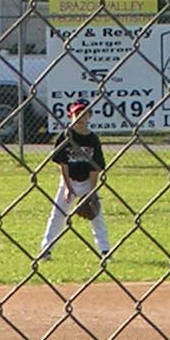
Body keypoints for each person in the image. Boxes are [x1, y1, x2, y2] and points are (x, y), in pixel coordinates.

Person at [38, 98, 110, 265]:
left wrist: (91, 193)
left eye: (84, 114)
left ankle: (104, 250)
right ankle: (46, 249)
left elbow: (95, 169)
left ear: (90, 116)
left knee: (96, 216)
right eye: (77, 114)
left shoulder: (93, 139)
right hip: (68, 181)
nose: (80, 117)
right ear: (70, 115)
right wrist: (67, 187)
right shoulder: (65, 136)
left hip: (87, 183)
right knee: (57, 215)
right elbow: (62, 164)